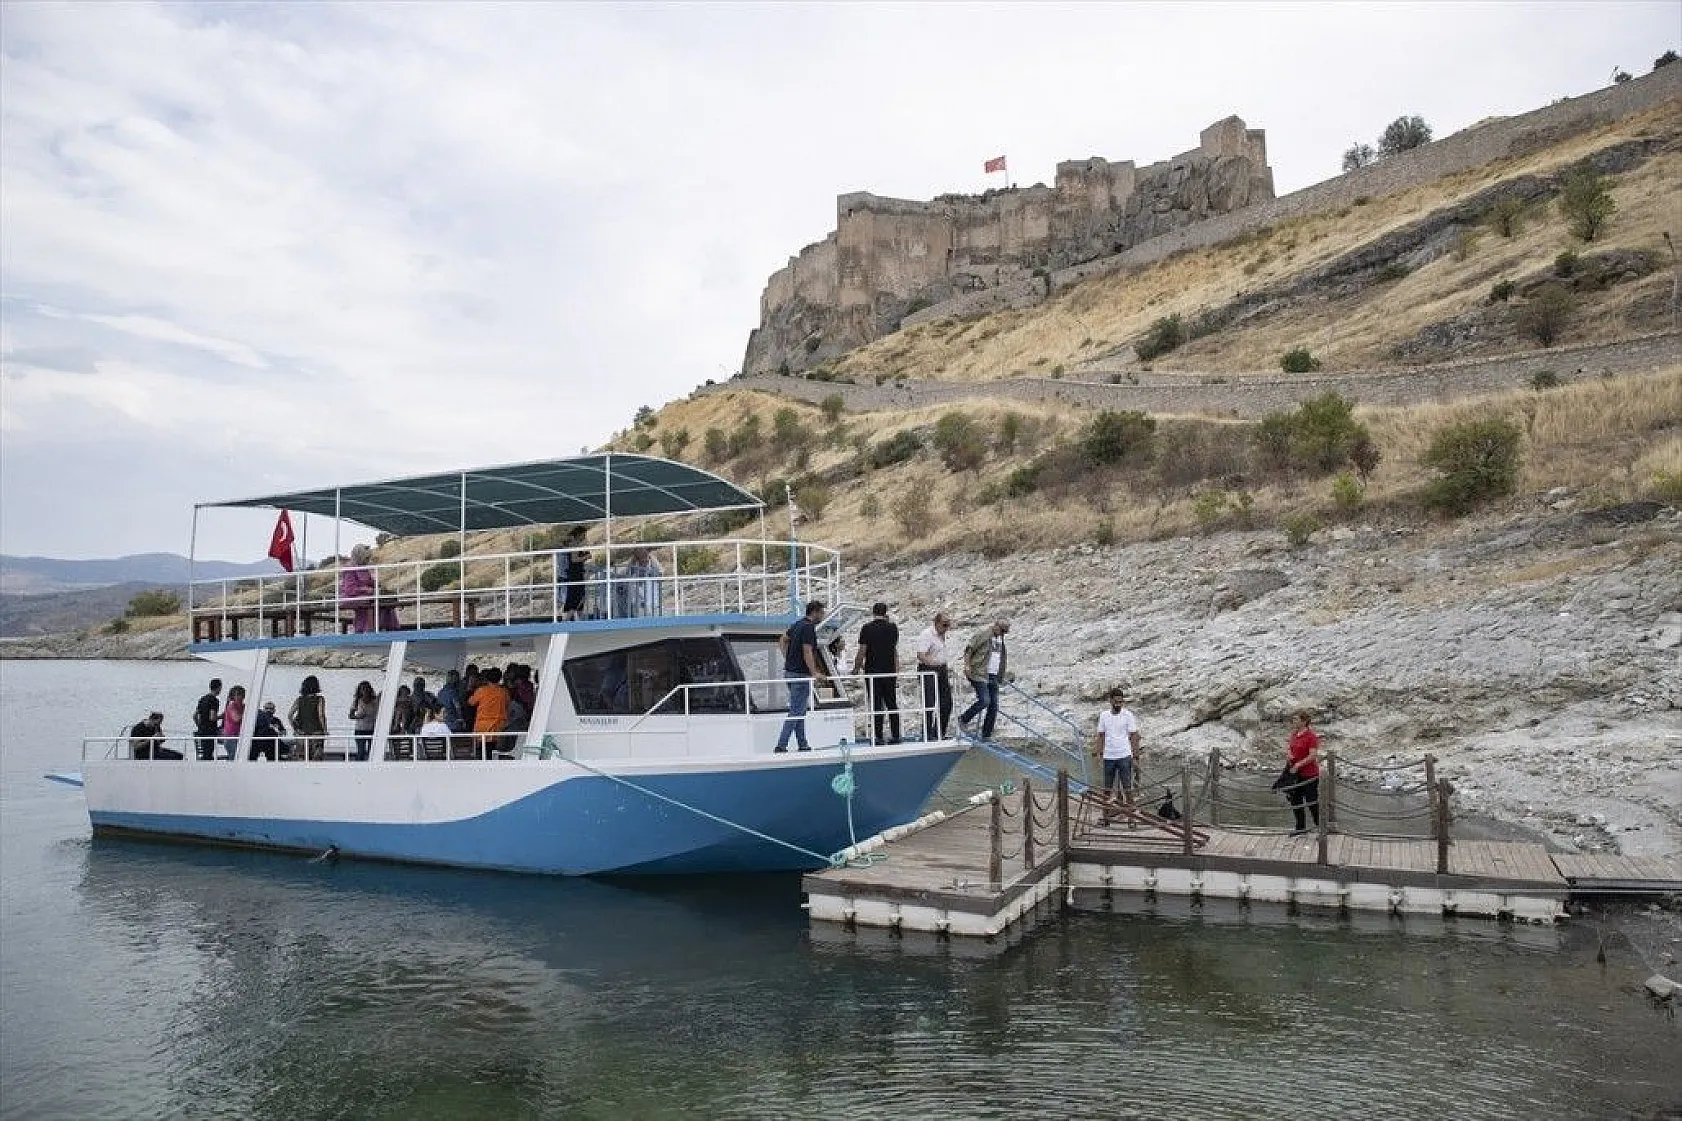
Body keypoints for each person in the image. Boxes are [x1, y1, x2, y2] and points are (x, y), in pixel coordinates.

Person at [774, 599, 828, 753]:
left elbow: (783, 639)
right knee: (796, 711)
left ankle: (803, 744)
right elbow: (807, 651)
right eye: (822, 612)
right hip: (800, 675)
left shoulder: (798, 624)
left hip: (790, 672)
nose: (823, 615)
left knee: (799, 709)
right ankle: (781, 745)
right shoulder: (809, 627)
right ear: (815, 612)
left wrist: (788, 657)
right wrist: (814, 673)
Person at [852, 602, 901, 745]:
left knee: (876, 704)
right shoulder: (893, 628)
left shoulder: (867, 628)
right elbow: (894, 650)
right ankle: (896, 735)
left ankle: (878, 737)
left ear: (873, 612)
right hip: (889, 672)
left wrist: (856, 668)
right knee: (892, 703)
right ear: (885, 612)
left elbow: (862, 650)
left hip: (873, 671)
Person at [1090, 689, 1142, 824]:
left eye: (1121, 702)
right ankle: (1106, 817)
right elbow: (1100, 735)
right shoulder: (1104, 716)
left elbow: (1134, 736)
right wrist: (1097, 754)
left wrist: (1135, 756)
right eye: (1116, 701)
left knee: (1127, 788)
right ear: (1111, 701)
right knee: (1107, 789)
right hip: (1109, 756)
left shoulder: (1128, 715)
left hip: (1124, 755)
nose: (1119, 704)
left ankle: (1131, 818)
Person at [959, 620, 1010, 741]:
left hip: (993, 676)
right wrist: (967, 666)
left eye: (1005, 632)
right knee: (984, 700)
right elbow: (969, 649)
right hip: (979, 673)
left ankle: (986, 734)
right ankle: (963, 719)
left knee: (993, 706)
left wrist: (1001, 674)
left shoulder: (1000, 639)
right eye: (1002, 630)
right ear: (996, 626)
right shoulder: (983, 635)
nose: (1003, 634)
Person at [914, 612, 954, 740]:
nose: (946, 628)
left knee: (947, 702)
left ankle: (939, 732)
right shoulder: (927, 634)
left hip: (942, 669)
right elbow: (921, 654)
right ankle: (927, 733)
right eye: (944, 625)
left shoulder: (942, 634)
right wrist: (932, 664)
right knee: (929, 702)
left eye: (948, 625)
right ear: (936, 623)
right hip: (928, 670)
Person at [1284, 709, 1322, 835]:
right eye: (1293, 719)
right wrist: (1289, 754)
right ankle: (1300, 828)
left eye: (1296, 719)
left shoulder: (1311, 736)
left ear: (1304, 721)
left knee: (1312, 802)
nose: (1293, 721)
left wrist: (1299, 764)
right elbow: (1289, 747)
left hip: (1309, 774)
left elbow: (1312, 755)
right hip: (1295, 774)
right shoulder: (1294, 734)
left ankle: (1320, 828)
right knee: (1295, 800)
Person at [469, 666, 512, 759]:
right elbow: (508, 704)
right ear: (500, 678)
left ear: (487, 678)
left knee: (482, 753)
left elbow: (471, 702)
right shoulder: (504, 692)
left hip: (482, 727)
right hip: (498, 727)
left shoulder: (481, 690)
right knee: (495, 752)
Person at [289, 675, 328, 761]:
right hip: (316, 733)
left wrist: (295, 728)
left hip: (302, 734)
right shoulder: (320, 699)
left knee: (302, 760)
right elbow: (321, 715)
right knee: (316, 760)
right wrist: (325, 730)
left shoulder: (299, 700)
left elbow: (290, 715)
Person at [340, 545, 377, 633]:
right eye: (366, 558)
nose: (367, 560)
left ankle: (387, 627)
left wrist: (375, 583)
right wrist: (364, 590)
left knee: (385, 602)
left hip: (364, 595)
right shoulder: (350, 569)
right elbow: (349, 590)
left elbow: (370, 583)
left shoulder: (364, 568)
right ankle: (367, 630)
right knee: (367, 603)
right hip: (349, 597)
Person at [194, 678, 223, 761]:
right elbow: (212, 717)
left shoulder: (202, 699)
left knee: (205, 753)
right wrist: (222, 716)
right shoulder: (214, 700)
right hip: (210, 731)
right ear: (218, 687)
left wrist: (200, 726)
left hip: (202, 731)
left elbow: (195, 716)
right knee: (208, 754)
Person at [349, 681, 378, 761]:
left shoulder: (375, 701)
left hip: (372, 729)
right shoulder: (357, 701)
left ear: (370, 689)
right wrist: (358, 717)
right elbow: (350, 716)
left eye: (366, 688)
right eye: (363, 689)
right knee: (361, 752)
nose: (365, 690)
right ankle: (357, 768)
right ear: (360, 690)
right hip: (360, 730)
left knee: (372, 752)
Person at [219, 685, 246, 760]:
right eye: (236, 695)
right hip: (231, 737)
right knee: (234, 757)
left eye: (240, 694)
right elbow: (236, 718)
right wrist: (247, 714)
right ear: (233, 696)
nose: (239, 697)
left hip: (240, 736)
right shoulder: (232, 706)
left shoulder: (244, 707)